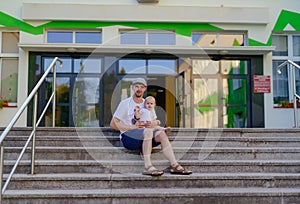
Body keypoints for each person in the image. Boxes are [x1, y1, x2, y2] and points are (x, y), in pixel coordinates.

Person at [110, 78, 192, 176]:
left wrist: (155, 123)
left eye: (141, 87)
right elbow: (113, 124)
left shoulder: (148, 103)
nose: (139, 89)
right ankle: (147, 166)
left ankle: (174, 165)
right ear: (132, 88)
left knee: (161, 134)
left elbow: (153, 121)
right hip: (129, 137)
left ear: (145, 89)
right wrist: (133, 127)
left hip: (145, 136)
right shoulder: (125, 103)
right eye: (136, 86)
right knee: (148, 131)